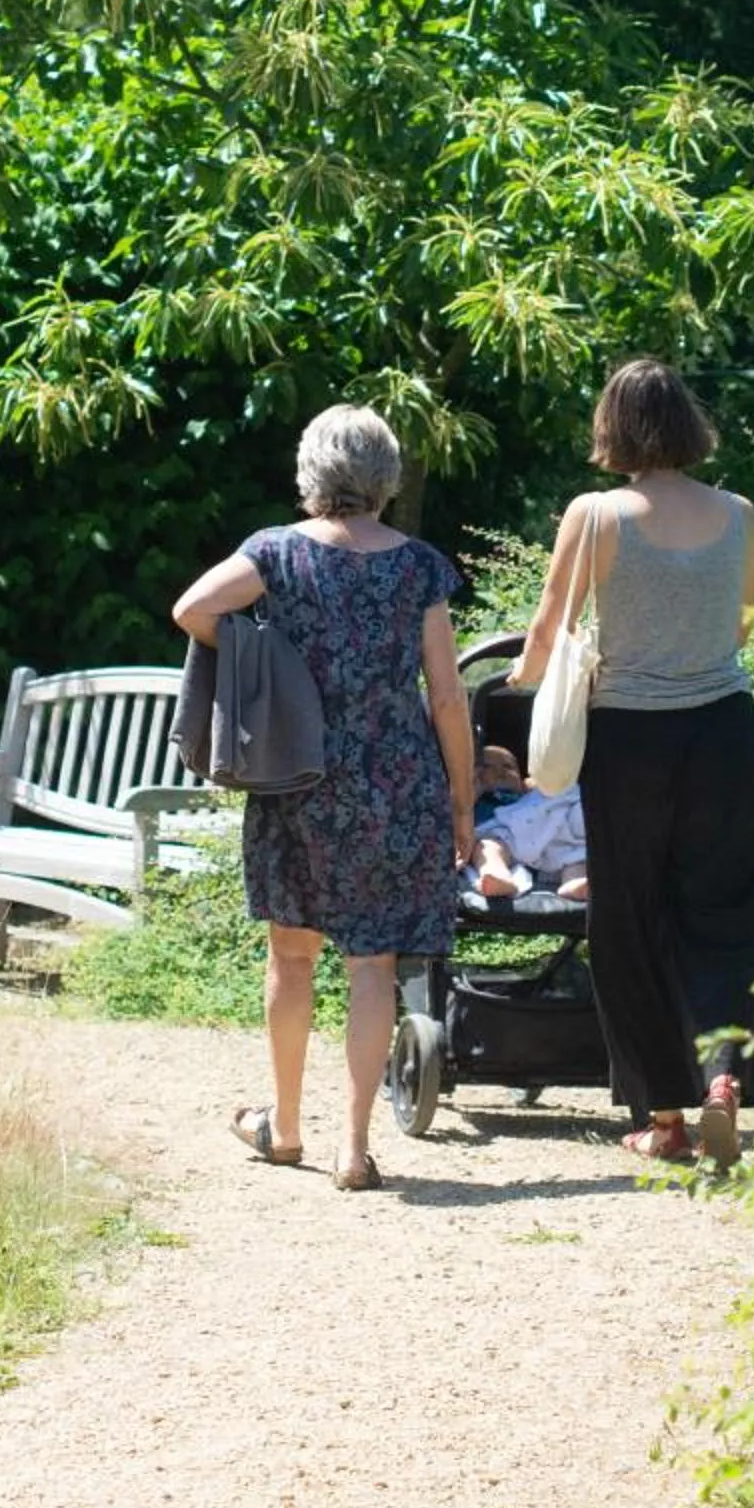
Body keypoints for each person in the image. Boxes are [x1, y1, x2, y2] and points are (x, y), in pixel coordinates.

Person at [173, 403, 475, 1193]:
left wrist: (262, 655)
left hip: (294, 775)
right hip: (397, 783)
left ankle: (285, 1127)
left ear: (313, 470)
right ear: (385, 474)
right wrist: (463, 802)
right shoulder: (419, 568)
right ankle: (353, 1146)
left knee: (292, 954)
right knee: (373, 964)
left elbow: (192, 610)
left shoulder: (272, 554)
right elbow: (447, 696)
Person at [513, 358, 754, 1168]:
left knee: (630, 922)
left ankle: (664, 1119)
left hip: (630, 738)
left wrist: (526, 694)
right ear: (689, 423)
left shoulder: (595, 515)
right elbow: (739, 631)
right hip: (725, 732)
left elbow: (546, 635)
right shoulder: (739, 513)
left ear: (613, 426)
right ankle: (723, 1076)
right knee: (723, 911)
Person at [466, 742, 588, 902]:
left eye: (508, 767)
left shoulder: (526, 796)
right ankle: (496, 874)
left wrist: (539, 787)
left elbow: (547, 804)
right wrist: (472, 790)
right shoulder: (479, 797)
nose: (500, 772)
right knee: (487, 848)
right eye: (488, 767)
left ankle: (574, 880)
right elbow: (462, 810)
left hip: (544, 837)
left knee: (574, 853)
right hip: (502, 837)